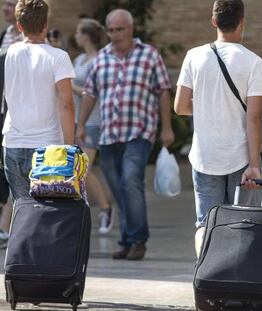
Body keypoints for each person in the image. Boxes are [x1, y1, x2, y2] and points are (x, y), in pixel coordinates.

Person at [77, 9, 174, 261]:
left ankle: (138, 240)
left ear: (131, 29)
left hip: (139, 132)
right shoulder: (101, 59)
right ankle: (127, 239)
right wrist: (80, 124)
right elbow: (90, 93)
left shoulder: (149, 55)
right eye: (111, 30)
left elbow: (164, 91)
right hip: (108, 134)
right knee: (118, 189)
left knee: (131, 180)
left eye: (120, 29)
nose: (115, 35)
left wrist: (166, 128)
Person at [174, 0, 262, 257]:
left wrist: (207, 107)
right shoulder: (253, 62)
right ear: (242, 23)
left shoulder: (194, 56)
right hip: (240, 157)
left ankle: (204, 275)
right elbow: (254, 116)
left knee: (205, 224)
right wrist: (254, 164)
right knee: (239, 224)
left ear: (213, 21)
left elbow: (181, 106)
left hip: (205, 156)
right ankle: (232, 279)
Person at [3, 0, 75, 201]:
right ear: (46, 24)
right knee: (49, 212)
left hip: (13, 144)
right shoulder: (59, 57)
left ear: (19, 26)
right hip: (49, 146)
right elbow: (66, 104)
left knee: (21, 209)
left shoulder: (6, 55)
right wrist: (70, 148)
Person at [72, 18, 113, 235]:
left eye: (78, 32)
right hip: (77, 121)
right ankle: (79, 213)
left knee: (83, 169)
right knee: (75, 171)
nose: (75, 36)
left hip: (94, 122)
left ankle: (106, 209)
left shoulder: (98, 60)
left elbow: (95, 93)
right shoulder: (78, 59)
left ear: (86, 36)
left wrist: (72, 86)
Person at [0, 0, 22, 249]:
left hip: (17, 116)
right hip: (2, 113)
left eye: (10, 3)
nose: (4, 8)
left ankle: (6, 228)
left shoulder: (35, 40)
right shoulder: (4, 36)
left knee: (13, 173)